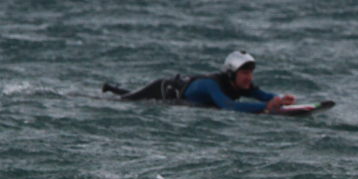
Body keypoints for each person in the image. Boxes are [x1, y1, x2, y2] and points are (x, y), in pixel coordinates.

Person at [103, 51, 297, 114]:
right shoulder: (211, 85)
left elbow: (263, 95)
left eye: (251, 73)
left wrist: (280, 99)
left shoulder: (241, 85)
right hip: (161, 90)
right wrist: (265, 107)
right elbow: (227, 106)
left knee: (125, 96)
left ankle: (114, 89)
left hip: (179, 94)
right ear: (232, 74)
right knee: (122, 101)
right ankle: (108, 91)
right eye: (245, 73)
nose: (249, 77)